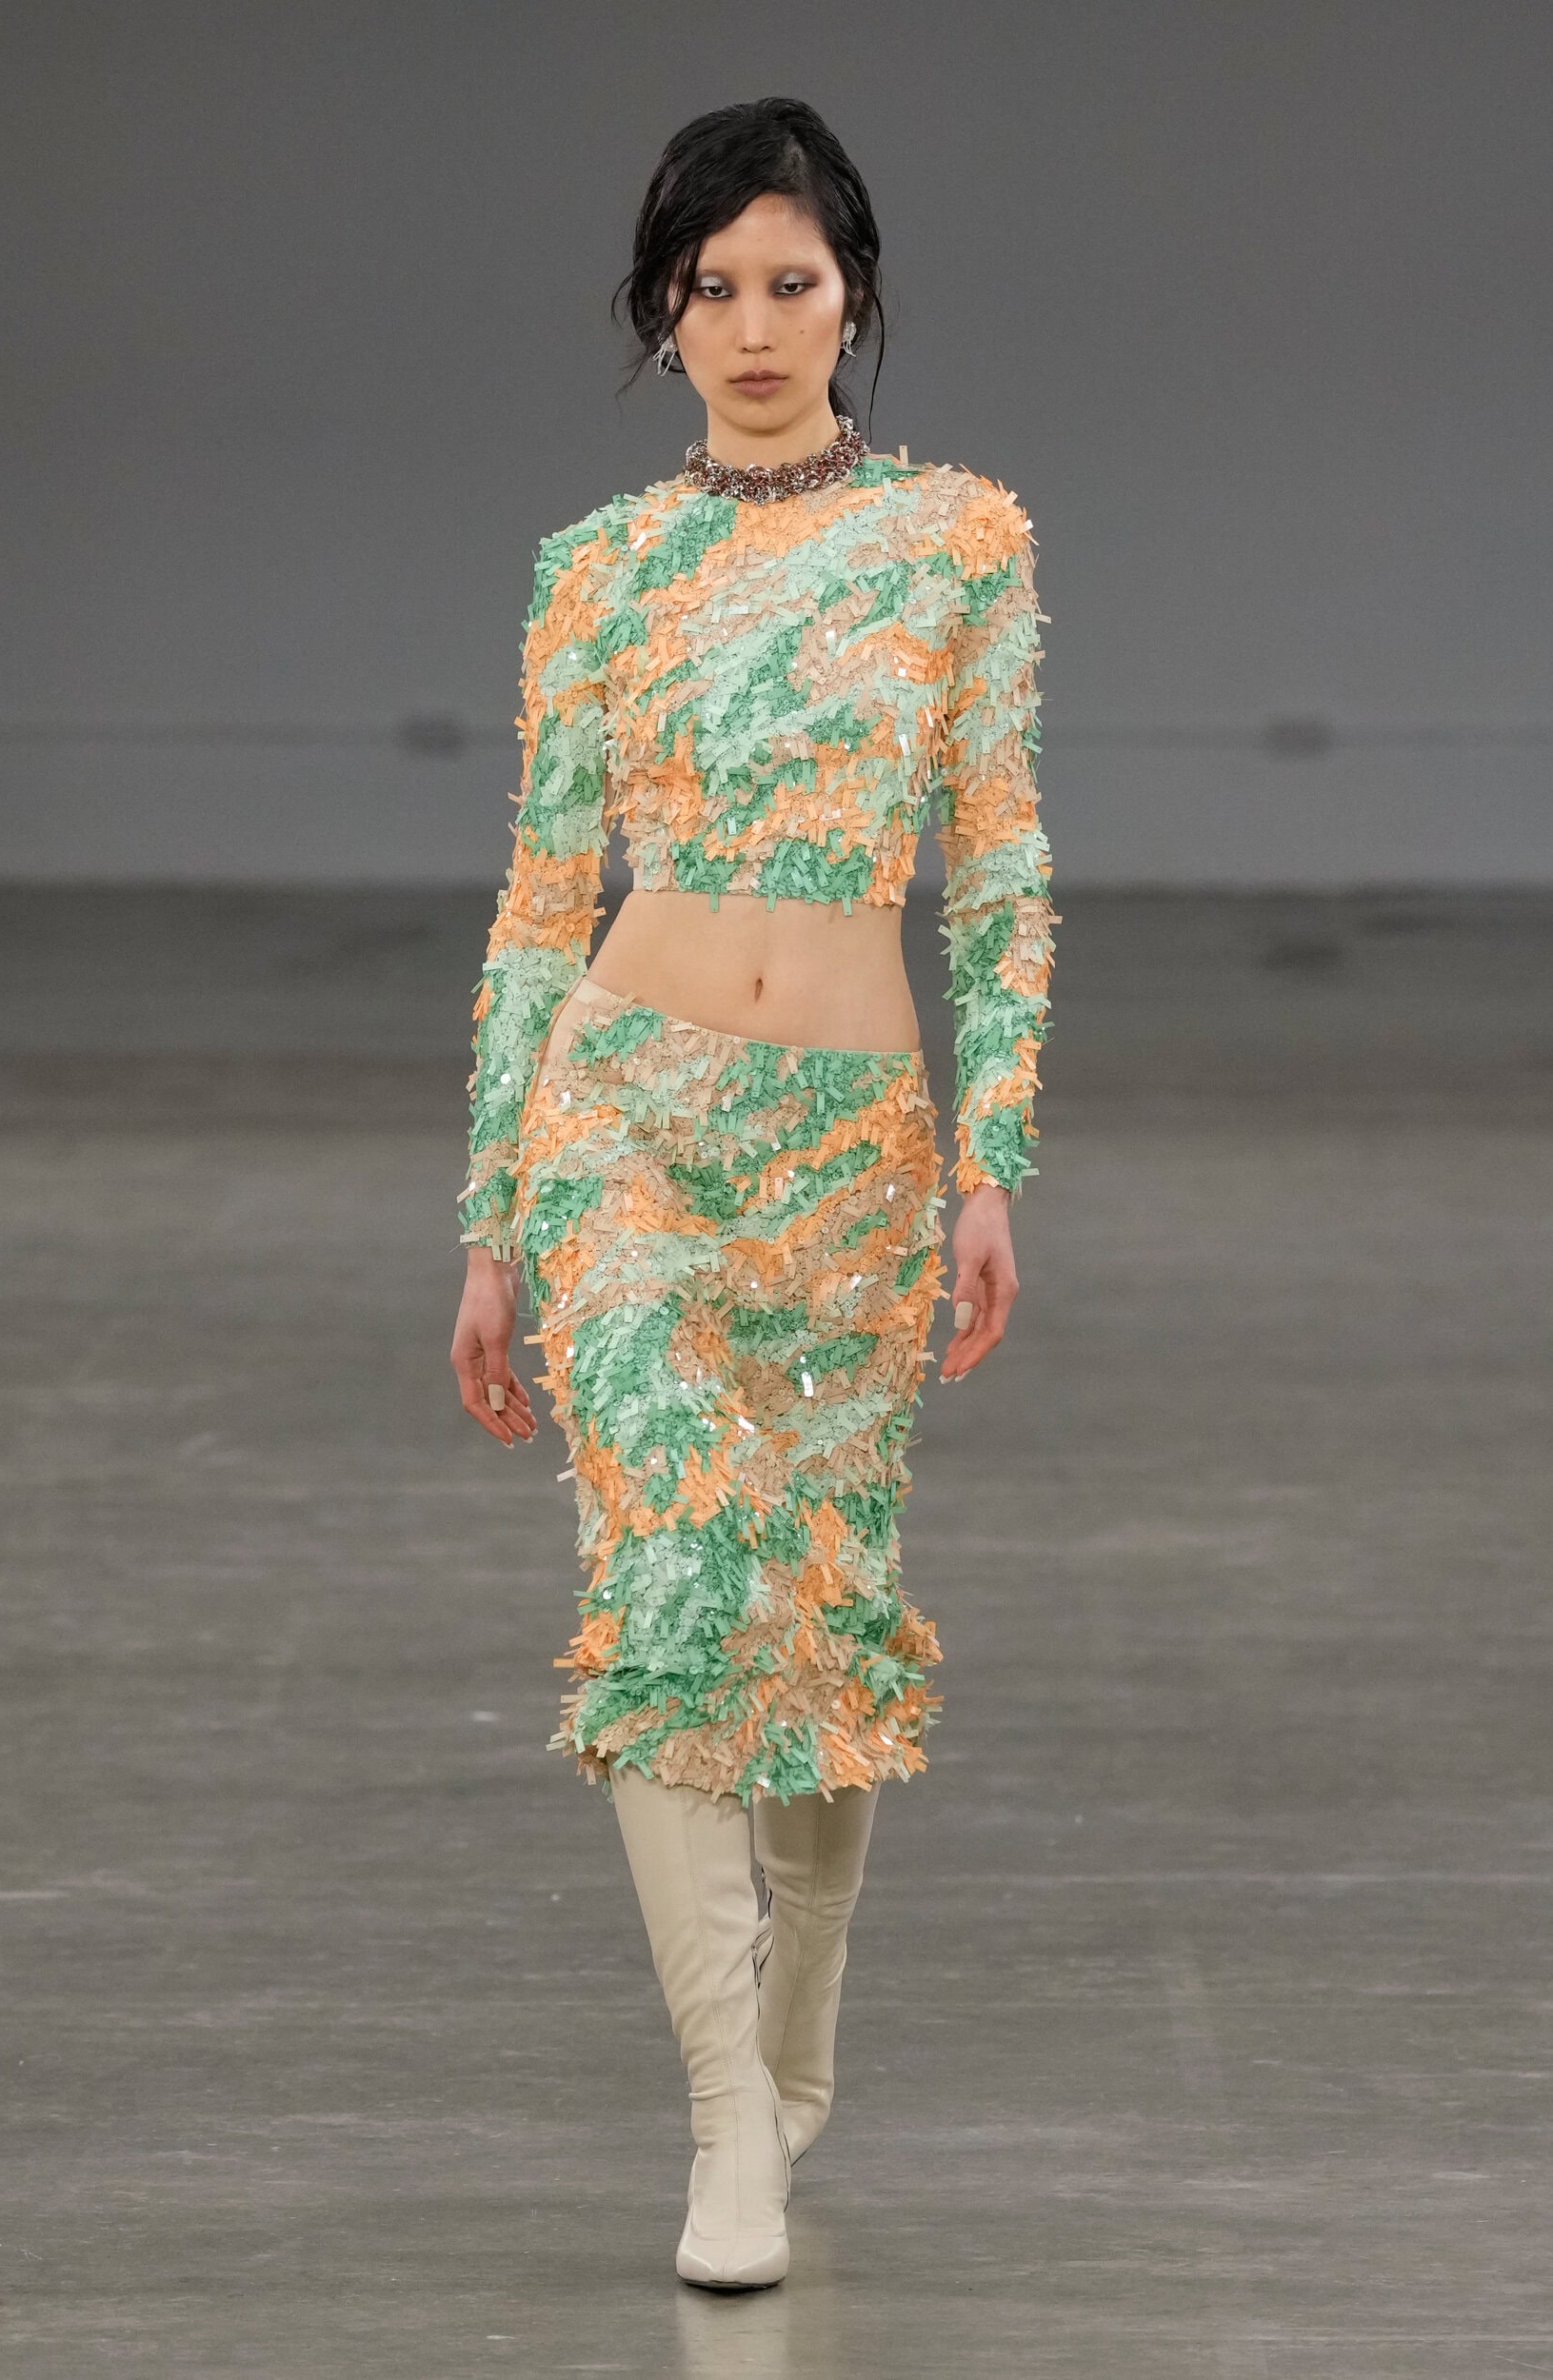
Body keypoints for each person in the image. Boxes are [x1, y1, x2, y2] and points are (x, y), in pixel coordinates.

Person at [449, 95, 1054, 2291]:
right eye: (712, 287)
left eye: (792, 280)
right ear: (665, 313)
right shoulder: (597, 569)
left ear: (852, 296)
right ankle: (728, 2109)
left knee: (819, 1604)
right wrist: (495, 1215)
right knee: (673, 1589)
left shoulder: (958, 541)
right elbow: (542, 900)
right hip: (625, 1123)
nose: (755, 323)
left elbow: (1000, 863)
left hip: (847, 1149)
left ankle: (805, 2002)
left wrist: (990, 1158)